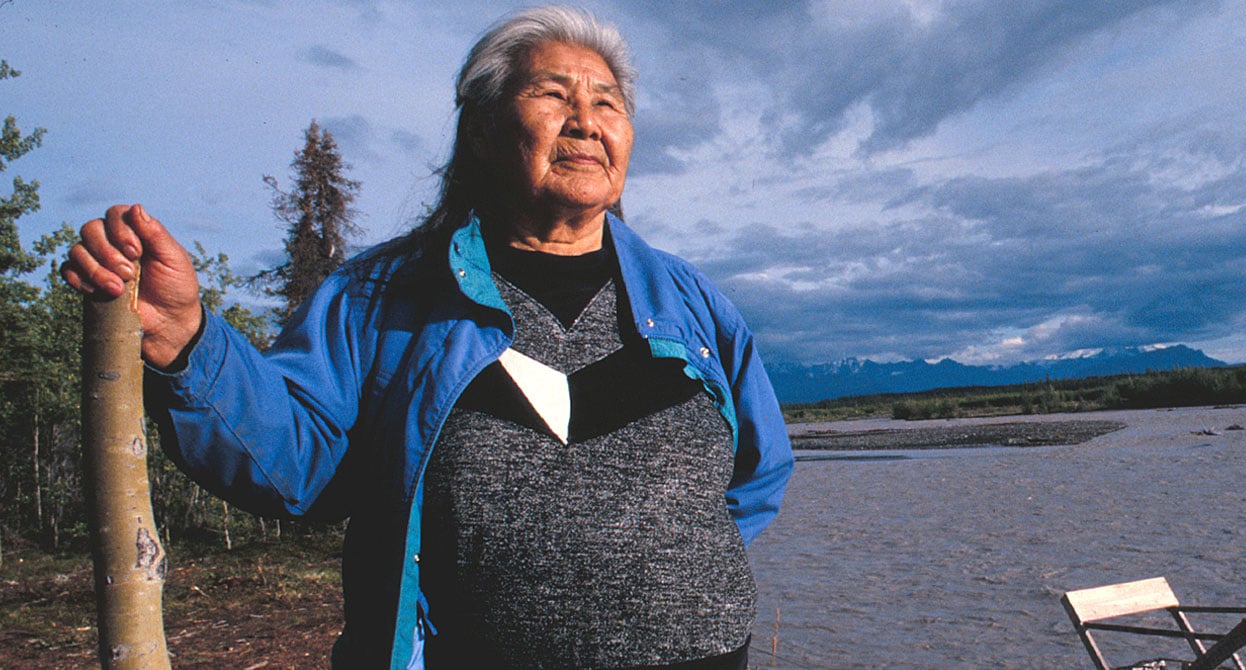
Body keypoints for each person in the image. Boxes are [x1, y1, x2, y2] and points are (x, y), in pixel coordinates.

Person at [62, 6, 793, 669]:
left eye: (607, 102)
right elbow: (299, 466)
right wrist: (189, 342)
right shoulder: (383, 297)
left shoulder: (692, 302)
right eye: (553, 95)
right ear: (479, 128)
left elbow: (757, 473)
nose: (586, 121)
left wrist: (670, 567)